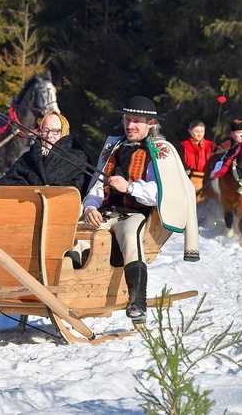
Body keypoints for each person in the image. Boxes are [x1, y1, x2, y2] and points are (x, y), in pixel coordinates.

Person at [81, 96, 199, 324]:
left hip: (134, 214)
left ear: (150, 123)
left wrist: (130, 187)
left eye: (136, 121)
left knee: (130, 239)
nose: (129, 125)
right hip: (104, 212)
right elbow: (97, 184)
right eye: (127, 120)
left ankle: (137, 302)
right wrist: (89, 207)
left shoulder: (160, 151)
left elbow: (163, 192)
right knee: (75, 237)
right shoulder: (113, 146)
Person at [0, 110, 93, 198]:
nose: (49, 136)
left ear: (63, 132)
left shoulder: (78, 158)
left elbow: (82, 190)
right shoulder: (27, 158)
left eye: (56, 131)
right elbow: (7, 185)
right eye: (45, 130)